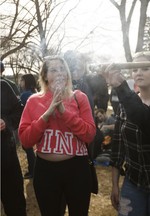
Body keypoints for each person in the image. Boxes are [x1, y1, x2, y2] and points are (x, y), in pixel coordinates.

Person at [18, 56, 96, 215]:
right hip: (46, 171)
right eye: (53, 70)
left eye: (62, 69)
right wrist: (46, 115)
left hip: (77, 169)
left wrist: (63, 111)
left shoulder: (79, 97)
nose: (60, 73)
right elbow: (25, 141)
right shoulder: (33, 101)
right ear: (45, 76)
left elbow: (89, 134)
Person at [107, 51, 150, 216]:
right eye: (135, 69)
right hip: (133, 183)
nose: (138, 73)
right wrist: (115, 184)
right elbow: (118, 147)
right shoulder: (125, 105)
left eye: (145, 68)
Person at [1, 62, 27, 216]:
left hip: (5, 156)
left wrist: (6, 121)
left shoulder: (3, 86)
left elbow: (19, 112)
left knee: (15, 204)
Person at [19, 73, 37, 179]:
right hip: (34, 124)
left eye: (22, 80)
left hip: (27, 125)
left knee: (27, 148)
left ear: (26, 82)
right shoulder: (34, 92)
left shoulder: (25, 95)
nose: (20, 83)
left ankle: (33, 171)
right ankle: (33, 170)